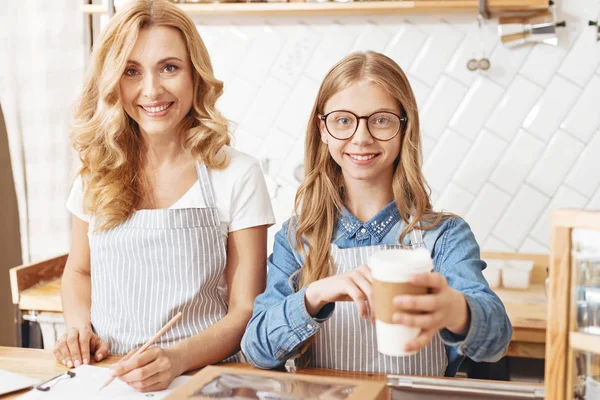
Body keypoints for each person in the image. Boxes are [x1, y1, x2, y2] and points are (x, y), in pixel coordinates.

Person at [241, 51, 512, 377]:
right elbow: (256, 350)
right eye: (343, 120)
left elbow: (496, 341)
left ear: (404, 128)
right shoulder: (299, 237)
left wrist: (457, 311)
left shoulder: (444, 235)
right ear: (323, 130)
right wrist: (315, 294)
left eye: (380, 119)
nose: (361, 137)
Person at [53, 0, 274, 392]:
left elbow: (246, 311)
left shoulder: (237, 174)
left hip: (205, 381)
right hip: (110, 380)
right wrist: (78, 329)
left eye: (169, 68)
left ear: (194, 75)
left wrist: (176, 360)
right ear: (113, 82)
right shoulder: (97, 171)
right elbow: (79, 271)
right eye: (131, 71)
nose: (151, 90)